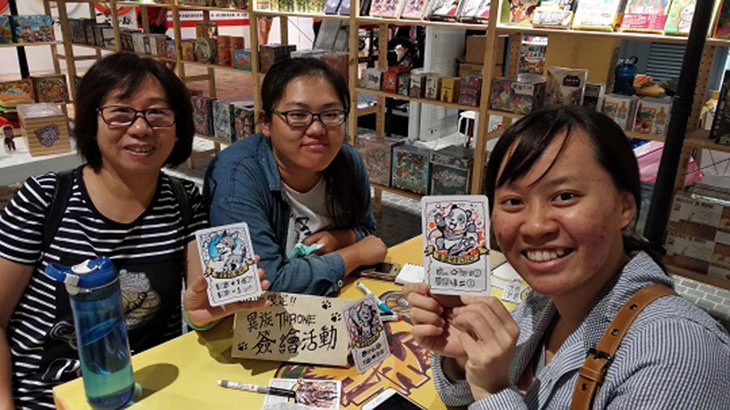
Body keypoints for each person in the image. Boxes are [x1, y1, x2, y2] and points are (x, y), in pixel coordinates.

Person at [405, 106, 730, 409]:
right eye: (513, 201)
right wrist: (464, 358)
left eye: (564, 196)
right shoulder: (545, 304)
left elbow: (490, 391)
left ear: (625, 207)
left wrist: (493, 391)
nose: (535, 226)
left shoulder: (679, 356)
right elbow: (458, 394)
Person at [0, 53, 269, 409]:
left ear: (178, 126)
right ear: (92, 121)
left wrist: (202, 314)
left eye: (157, 113)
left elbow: (201, 306)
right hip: (47, 400)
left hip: (147, 395)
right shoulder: (45, 198)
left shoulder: (184, 201)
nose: (141, 128)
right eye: (121, 112)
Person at [205, 57, 387, 296]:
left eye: (331, 114)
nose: (317, 129)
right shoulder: (235, 178)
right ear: (266, 122)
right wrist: (353, 255)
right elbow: (264, 283)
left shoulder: (347, 161)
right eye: (298, 115)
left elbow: (367, 232)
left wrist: (343, 237)